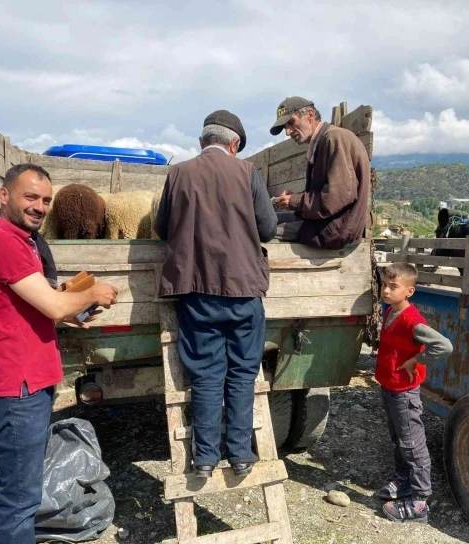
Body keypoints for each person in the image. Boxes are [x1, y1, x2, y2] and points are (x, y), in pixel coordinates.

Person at [0, 164, 118, 543]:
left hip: (26, 384)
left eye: (46, 200)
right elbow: (51, 305)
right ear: (4, 196)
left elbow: (28, 307)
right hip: (15, 390)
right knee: (20, 498)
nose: (40, 207)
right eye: (30, 197)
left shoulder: (20, 242)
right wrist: (93, 292)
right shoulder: (3, 242)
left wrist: (69, 313)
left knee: (20, 489)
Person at [154, 110, 277, 478]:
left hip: (198, 293)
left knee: (206, 376)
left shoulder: (178, 173)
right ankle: (240, 455)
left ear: (201, 143)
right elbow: (268, 228)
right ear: (234, 145)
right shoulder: (247, 172)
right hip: (243, 292)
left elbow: (162, 229)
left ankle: (205, 459)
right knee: (242, 373)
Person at [375, 262, 453, 523]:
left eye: (393, 287)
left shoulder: (412, 320)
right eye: (384, 285)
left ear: (409, 291)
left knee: (412, 443)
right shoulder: (390, 311)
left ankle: (420, 501)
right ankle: (403, 479)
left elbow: (444, 346)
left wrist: (417, 361)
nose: (386, 291)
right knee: (398, 437)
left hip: (404, 393)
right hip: (390, 387)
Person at [270, 96, 371, 249]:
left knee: (263, 229)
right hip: (325, 224)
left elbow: (336, 197)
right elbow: (326, 192)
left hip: (335, 230)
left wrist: (295, 201)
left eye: (291, 123)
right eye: (285, 127)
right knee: (268, 219)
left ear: (310, 115)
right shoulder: (322, 141)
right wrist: (293, 198)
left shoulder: (334, 138)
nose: (288, 132)